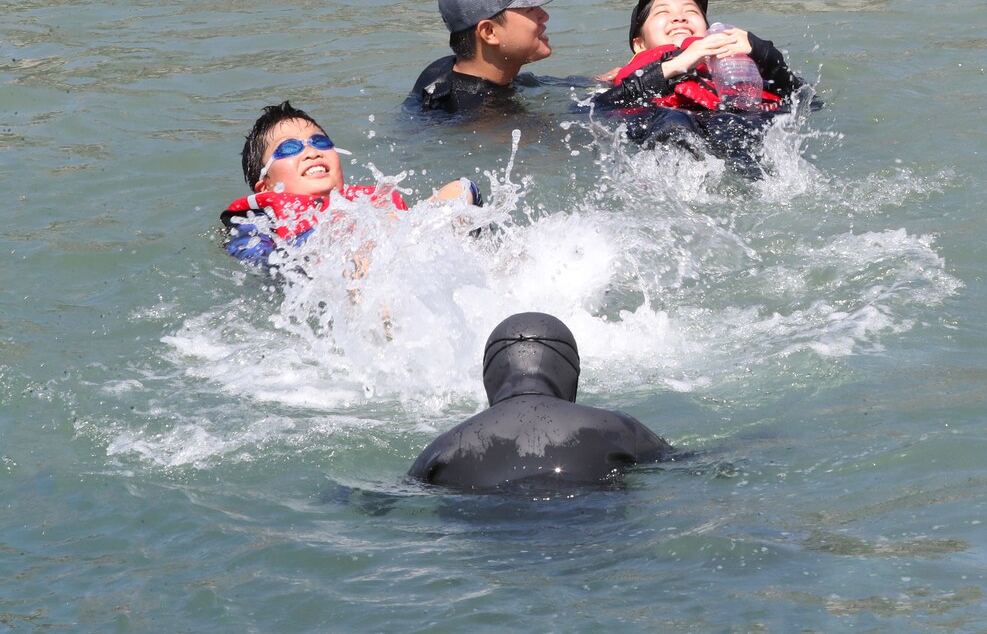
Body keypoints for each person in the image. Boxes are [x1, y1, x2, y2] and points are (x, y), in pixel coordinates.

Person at [408, 312, 673, 491]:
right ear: (570, 372)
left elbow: (380, 504)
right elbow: (693, 467)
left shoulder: (442, 449)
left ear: (491, 375)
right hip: (589, 541)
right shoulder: (618, 428)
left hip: (490, 549)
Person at [592, 0, 814, 171]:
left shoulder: (733, 60)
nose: (679, 17)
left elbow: (805, 99)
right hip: (666, 123)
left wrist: (763, 52)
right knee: (674, 122)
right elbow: (599, 108)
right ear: (640, 44)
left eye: (691, 11)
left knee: (736, 125)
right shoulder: (624, 78)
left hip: (729, 124)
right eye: (662, 12)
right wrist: (675, 66)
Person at [221, 101, 480, 268]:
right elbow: (258, 260)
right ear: (265, 187)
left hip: (401, 256)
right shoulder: (259, 222)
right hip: (338, 276)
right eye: (290, 148)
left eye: (320, 142)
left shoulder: (368, 206)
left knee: (460, 188)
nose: (311, 152)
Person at [406, 0, 561, 116]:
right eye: (530, 8)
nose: (544, 16)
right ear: (489, 32)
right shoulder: (486, 117)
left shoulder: (441, 70)